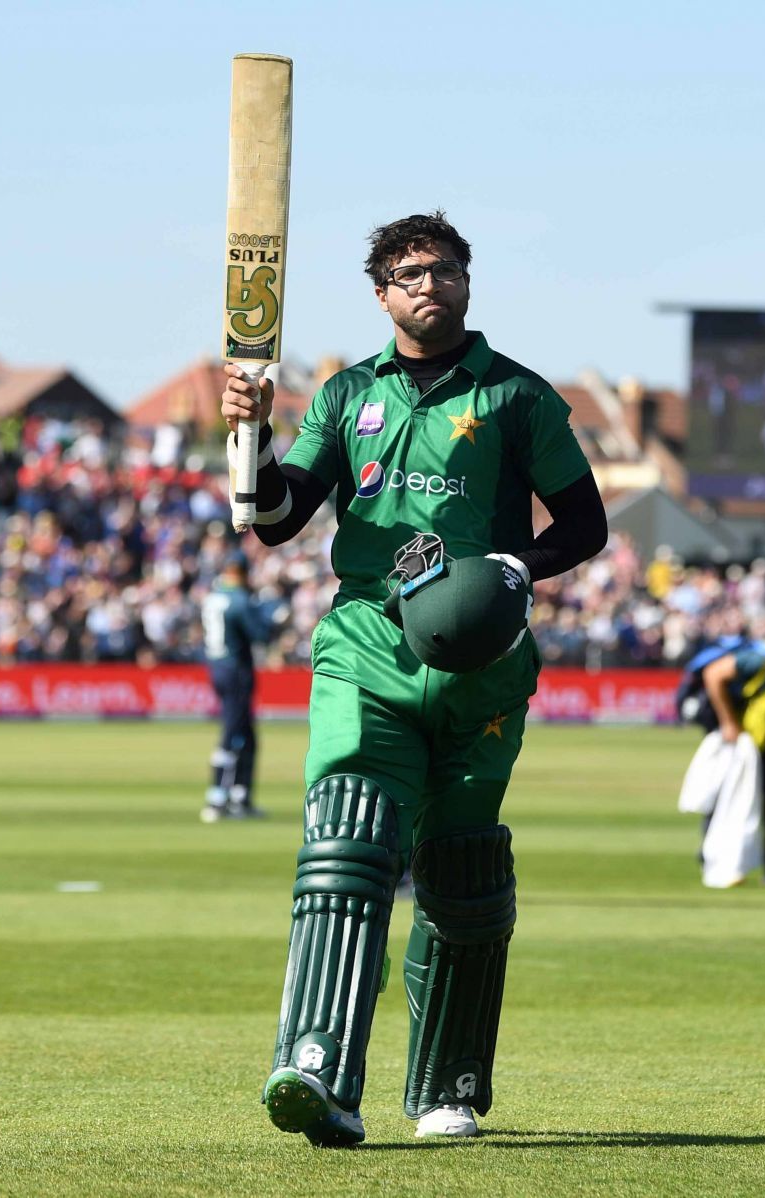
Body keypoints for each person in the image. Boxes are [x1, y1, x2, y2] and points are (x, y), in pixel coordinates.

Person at [220, 211, 607, 1146]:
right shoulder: (346, 392)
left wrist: (517, 569)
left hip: (484, 657)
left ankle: (448, 1087)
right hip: (367, 641)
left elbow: (585, 526)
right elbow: (275, 518)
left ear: (467, 282)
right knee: (349, 842)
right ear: (381, 294)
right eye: (406, 273)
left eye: (442, 269)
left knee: (463, 876)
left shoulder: (519, 397)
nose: (427, 283)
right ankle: (318, 1068)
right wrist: (254, 436)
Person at [676, 634, 765, 878]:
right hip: (738, 735)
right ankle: (710, 857)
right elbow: (713, 675)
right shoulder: (760, 660)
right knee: (725, 794)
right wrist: (729, 722)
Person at [201, 550, 274, 822]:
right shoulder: (240, 600)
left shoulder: (213, 596)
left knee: (246, 734)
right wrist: (273, 616)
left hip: (217, 666)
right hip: (236, 669)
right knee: (232, 733)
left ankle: (240, 797)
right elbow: (260, 634)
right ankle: (217, 797)